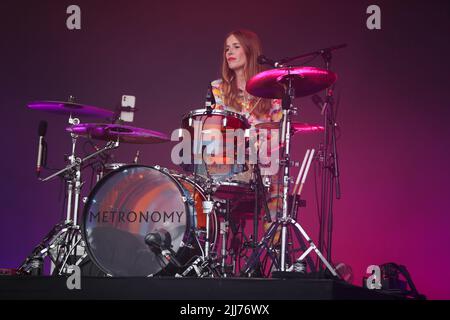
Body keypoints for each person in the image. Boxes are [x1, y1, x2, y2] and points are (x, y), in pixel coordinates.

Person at [210, 30, 283, 268]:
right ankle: (213, 256)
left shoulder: (271, 91)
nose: (229, 52)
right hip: (229, 163)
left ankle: (273, 259)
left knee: (276, 189)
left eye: (236, 47)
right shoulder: (218, 89)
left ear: (250, 51)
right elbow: (215, 132)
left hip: (262, 165)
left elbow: (277, 135)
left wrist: (259, 148)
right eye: (226, 48)